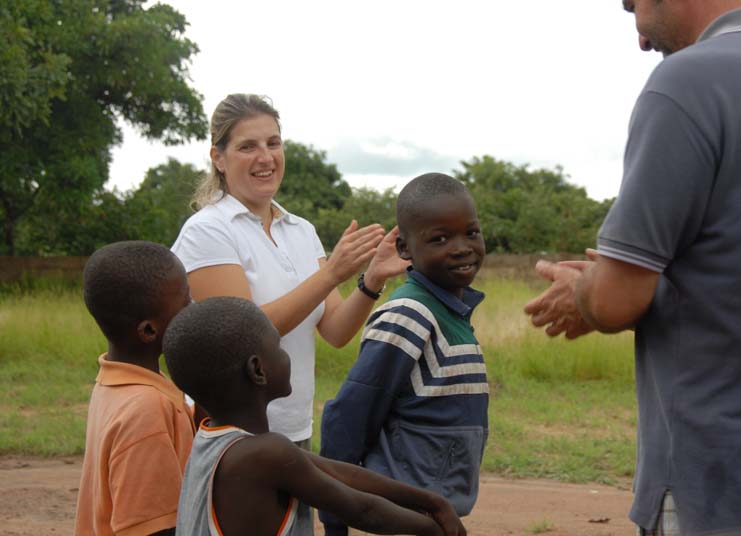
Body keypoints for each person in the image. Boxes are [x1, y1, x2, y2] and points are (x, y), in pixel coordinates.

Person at [524, 2, 741, 535]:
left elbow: (613, 301)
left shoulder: (689, 80)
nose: (641, 39)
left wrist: (585, 289)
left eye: (633, 5)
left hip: (728, 491)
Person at [171, 93, 408, 530]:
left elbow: (335, 330)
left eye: (274, 143)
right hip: (231, 434)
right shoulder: (207, 231)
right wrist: (331, 272)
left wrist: (370, 280)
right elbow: (240, 337)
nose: (266, 157)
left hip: (292, 424)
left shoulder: (301, 230)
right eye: (248, 147)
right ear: (218, 158)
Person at [162, 296, 466, 536]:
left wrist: (431, 502)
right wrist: (430, 529)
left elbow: (339, 473)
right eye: (278, 347)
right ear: (258, 370)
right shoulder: (264, 453)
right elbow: (360, 510)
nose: (286, 355)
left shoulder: (212, 440)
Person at [319, 173, 489, 536]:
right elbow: (347, 417)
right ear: (404, 249)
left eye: (471, 232)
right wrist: (336, 524)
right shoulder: (409, 315)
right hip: (403, 519)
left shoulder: (451, 312)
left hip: (435, 516)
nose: (461, 247)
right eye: (440, 238)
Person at [74, 241, 194, 536]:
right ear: (149, 331)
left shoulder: (117, 384)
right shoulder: (145, 408)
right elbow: (151, 528)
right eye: (185, 302)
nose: (194, 308)